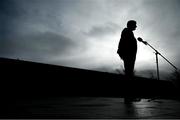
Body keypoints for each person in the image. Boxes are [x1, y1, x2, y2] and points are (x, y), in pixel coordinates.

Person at [117, 20, 141, 103]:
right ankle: (128, 97)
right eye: (135, 25)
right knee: (129, 76)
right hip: (128, 56)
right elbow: (124, 44)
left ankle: (129, 97)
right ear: (131, 25)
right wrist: (125, 55)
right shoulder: (127, 32)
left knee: (129, 75)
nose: (136, 26)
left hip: (129, 56)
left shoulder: (128, 32)